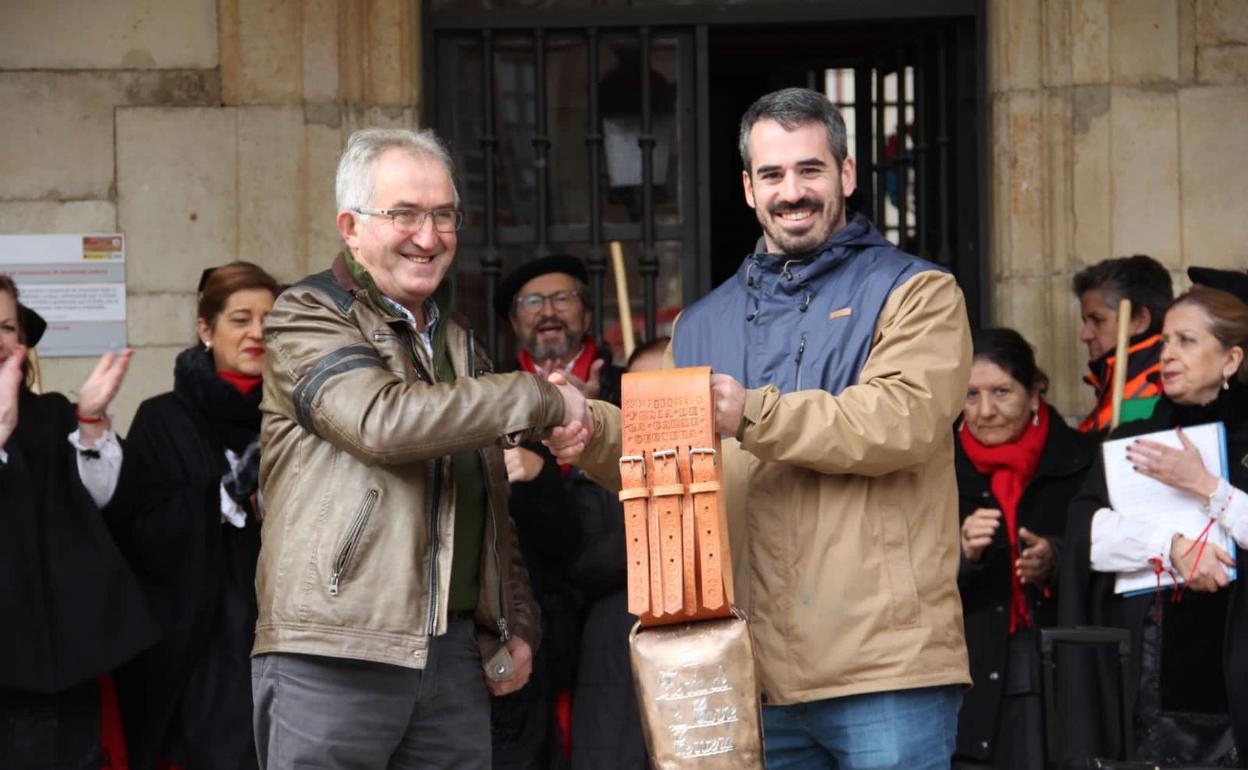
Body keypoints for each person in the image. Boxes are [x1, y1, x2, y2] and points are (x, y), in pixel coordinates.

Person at [547, 87, 972, 769]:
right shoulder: (701, 323)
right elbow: (671, 457)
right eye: (773, 175)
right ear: (748, 188)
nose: (792, 191)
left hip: (884, 668)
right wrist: (588, 431)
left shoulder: (918, 292)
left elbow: (905, 420)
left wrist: (749, 411)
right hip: (749, 670)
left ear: (847, 175)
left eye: (810, 170)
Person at [251, 127, 589, 769]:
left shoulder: (459, 346)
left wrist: (514, 623)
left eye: (443, 215)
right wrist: (540, 399)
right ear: (351, 227)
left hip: (453, 659)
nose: (428, 236)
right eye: (403, 213)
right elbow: (383, 422)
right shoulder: (305, 315)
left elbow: (489, 502)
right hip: (335, 649)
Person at [1062, 286, 1248, 766]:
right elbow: (1089, 534)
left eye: (1186, 341)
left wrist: (1209, 488)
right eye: (1165, 341)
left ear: (1230, 360)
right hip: (1151, 673)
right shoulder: (1134, 436)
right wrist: (1174, 548)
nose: (1167, 355)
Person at [106, 262, 279, 770]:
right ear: (206, 329)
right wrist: (224, 495)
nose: (258, 333)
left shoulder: (300, 414)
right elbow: (141, 531)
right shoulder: (163, 419)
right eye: (241, 319)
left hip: (293, 636)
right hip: (205, 647)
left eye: (270, 320)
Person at [489, 254, 642, 769]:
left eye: (562, 299)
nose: (548, 312)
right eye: (532, 302)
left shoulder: (628, 387)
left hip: (616, 605)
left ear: (587, 314)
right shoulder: (490, 398)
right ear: (514, 322)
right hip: (531, 604)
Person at [0, 275, 157, 769]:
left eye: (6, 326)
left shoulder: (49, 415)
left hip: (61, 666)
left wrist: (90, 422)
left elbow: (104, 501)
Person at [952, 328, 1093, 770]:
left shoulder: (1082, 459)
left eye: (1001, 392)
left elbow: (1114, 556)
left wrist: (1056, 556)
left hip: (1058, 659)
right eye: (970, 395)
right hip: (967, 664)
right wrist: (962, 556)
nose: (986, 411)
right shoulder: (935, 470)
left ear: (1035, 394)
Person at [1072, 255, 1173, 434]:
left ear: (1140, 320)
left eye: (1098, 320)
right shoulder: (1114, 382)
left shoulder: (1158, 390)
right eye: (1084, 321)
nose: (1085, 335)